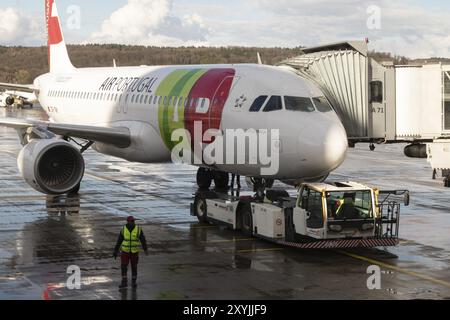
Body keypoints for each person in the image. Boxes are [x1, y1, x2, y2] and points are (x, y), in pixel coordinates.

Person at [113, 216, 148, 289]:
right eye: (132, 221)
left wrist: (145, 249)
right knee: (124, 267)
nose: (133, 222)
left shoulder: (138, 229)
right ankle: (124, 282)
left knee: (134, 267)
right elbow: (119, 240)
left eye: (134, 221)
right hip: (125, 251)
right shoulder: (123, 229)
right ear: (128, 222)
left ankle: (134, 282)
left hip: (134, 252)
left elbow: (143, 240)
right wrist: (115, 250)